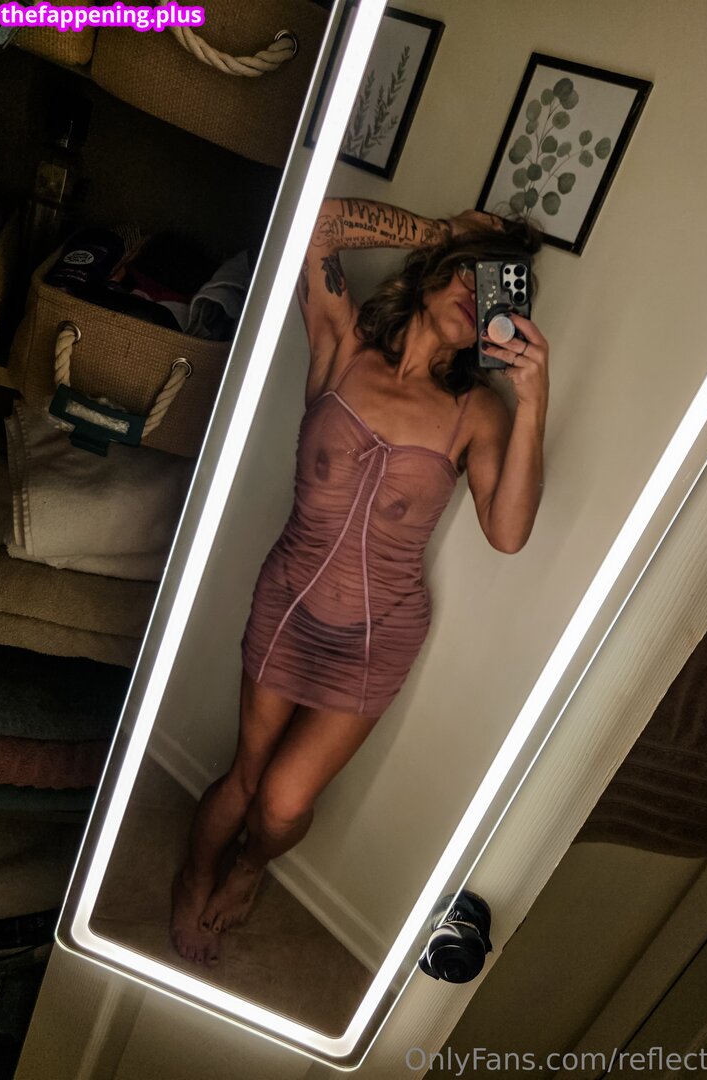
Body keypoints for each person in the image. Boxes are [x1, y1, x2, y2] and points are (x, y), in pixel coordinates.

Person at [170, 197, 549, 966]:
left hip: (379, 637)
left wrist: (535, 400)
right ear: (436, 268)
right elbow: (317, 225)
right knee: (246, 777)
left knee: (283, 804)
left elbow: (508, 534)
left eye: (491, 288)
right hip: (289, 604)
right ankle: (195, 873)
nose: (473, 293)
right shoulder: (343, 348)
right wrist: (448, 232)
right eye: (466, 273)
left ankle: (250, 866)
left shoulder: (478, 412)